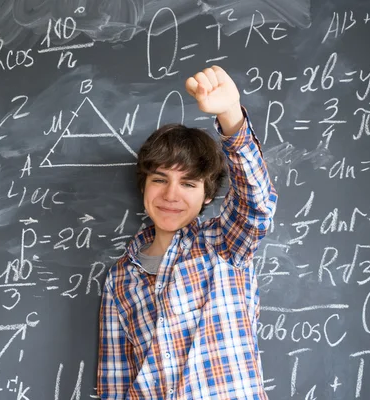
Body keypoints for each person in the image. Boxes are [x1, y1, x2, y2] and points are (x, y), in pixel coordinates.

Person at [97, 65, 278, 399]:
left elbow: (258, 204)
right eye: (160, 179)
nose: (170, 195)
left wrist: (230, 115)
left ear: (207, 194)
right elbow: (116, 379)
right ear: (144, 187)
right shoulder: (121, 278)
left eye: (188, 183)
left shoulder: (224, 244)